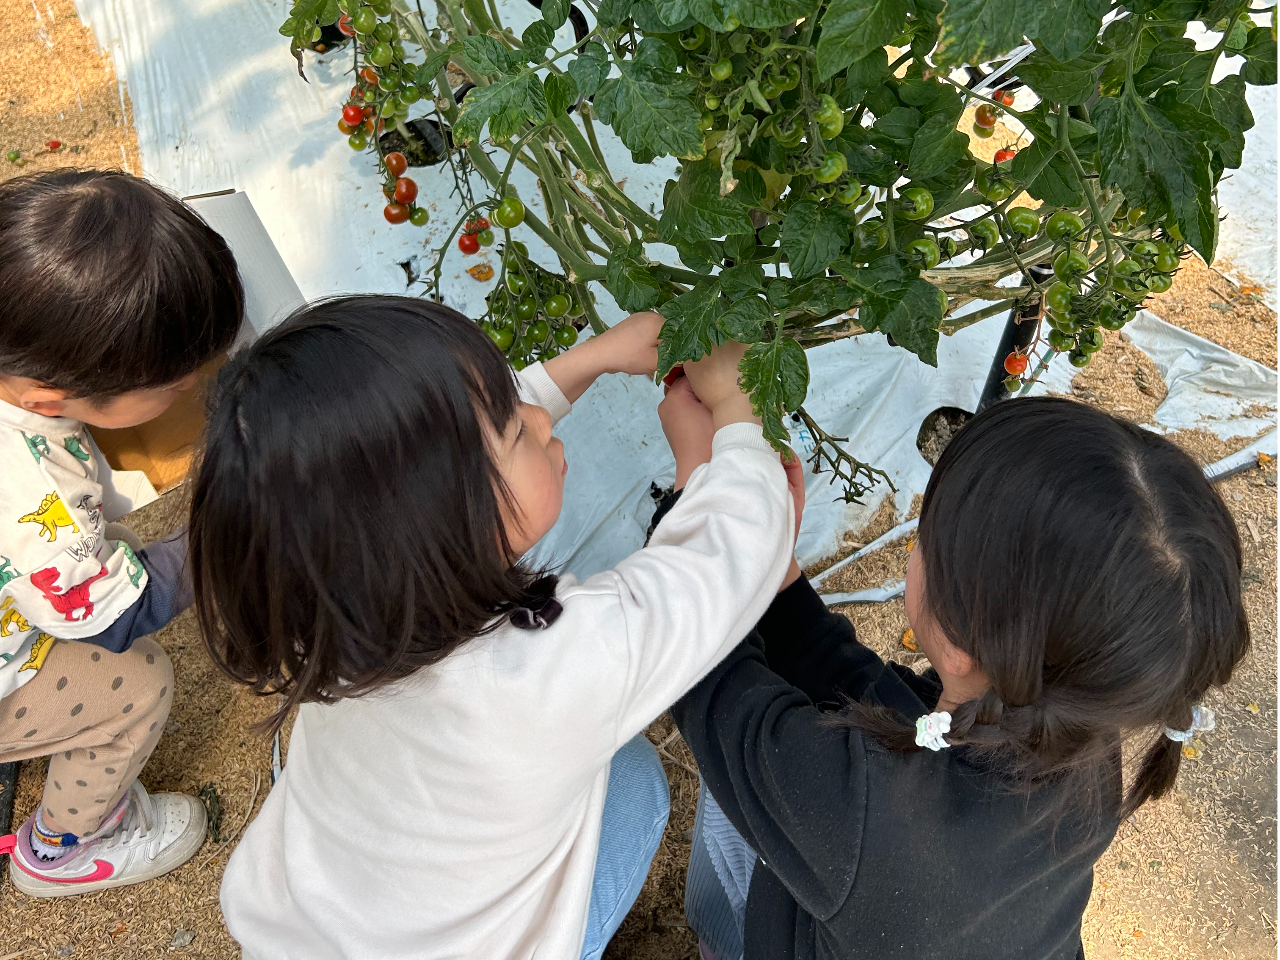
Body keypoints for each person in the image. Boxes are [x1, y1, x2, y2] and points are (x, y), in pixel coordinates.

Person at [190, 295, 798, 960]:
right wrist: (737, 426)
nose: (538, 416)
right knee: (634, 787)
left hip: (309, 931)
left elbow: (443, 435)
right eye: (514, 429)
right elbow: (723, 565)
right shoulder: (545, 676)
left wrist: (593, 359)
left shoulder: (325, 600)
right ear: (445, 521)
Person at [661, 395, 1250, 960]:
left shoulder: (853, 808)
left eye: (925, 531)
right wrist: (778, 575)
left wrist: (698, 492)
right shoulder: (1081, 726)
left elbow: (701, 677)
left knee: (724, 816)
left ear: (962, 642)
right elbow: (882, 715)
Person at [0, 169, 244, 894]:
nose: (191, 391)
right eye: (174, 385)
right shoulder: (30, 489)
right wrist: (223, 538)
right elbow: (109, 615)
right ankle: (62, 850)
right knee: (134, 686)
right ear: (50, 396)